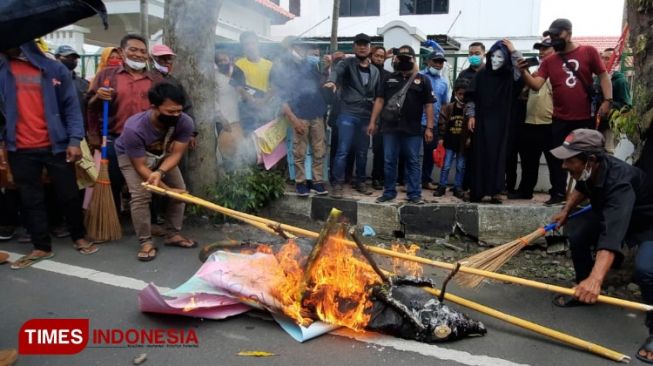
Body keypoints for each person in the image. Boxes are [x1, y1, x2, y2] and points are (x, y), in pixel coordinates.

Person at [548, 128, 653, 364]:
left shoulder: (620, 182)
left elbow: (611, 234)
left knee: (646, 271)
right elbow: (581, 189)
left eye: (570, 160)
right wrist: (566, 210)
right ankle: (584, 289)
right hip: (614, 213)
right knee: (577, 234)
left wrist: (597, 278)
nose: (564, 166)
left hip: (647, 222)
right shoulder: (591, 171)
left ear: (591, 160)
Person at [0, 41, 98, 269]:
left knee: (69, 194)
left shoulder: (54, 69)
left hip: (57, 144)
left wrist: (74, 139)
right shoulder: (3, 70)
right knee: (30, 199)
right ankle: (41, 246)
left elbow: (71, 107)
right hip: (19, 147)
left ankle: (79, 236)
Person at [519, 18, 613, 205]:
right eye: (551, 35)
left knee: (588, 157)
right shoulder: (550, 60)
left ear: (569, 33)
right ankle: (559, 194)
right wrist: (523, 72)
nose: (554, 38)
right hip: (560, 117)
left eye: (557, 34)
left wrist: (607, 100)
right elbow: (537, 85)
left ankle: (590, 194)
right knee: (557, 157)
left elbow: (603, 75)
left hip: (585, 115)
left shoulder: (588, 51)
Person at [115, 82, 196, 261]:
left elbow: (176, 154)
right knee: (141, 195)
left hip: (163, 154)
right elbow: (140, 167)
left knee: (180, 192)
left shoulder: (185, 121)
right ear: (154, 107)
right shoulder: (134, 128)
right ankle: (145, 241)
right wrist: (165, 189)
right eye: (170, 112)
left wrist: (160, 173)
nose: (176, 115)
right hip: (132, 157)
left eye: (178, 111)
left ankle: (172, 234)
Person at [87, 34, 164, 213]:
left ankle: (150, 221)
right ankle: (113, 218)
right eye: (133, 50)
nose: (138, 54)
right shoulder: (106, 75)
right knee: (113, 180)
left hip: (147, 142)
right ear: (122, 52)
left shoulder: (156, 80)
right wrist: (98, 98)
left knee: (148, 183)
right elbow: (90, 106)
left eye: (143, 51)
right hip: (115, 138)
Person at [367, 45, 435, 204]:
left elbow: (429, 105)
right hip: (390, 128)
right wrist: (372, 122)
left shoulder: (423, 80)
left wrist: (430, 127)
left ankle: (414, 194)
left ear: (413, 60)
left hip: (412, 129)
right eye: (401, 57)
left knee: (413, 160)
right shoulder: (388, 78)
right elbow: (379, 100)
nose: (404, 60)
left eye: (407, 57)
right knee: (389, 160)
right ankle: (389, 192)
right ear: (395, 59)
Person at [466, 39, 523, 204]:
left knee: (498, 156)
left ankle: (495, 191)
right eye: (493, 57)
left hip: (502, 122)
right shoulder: (482, 75)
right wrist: (471, 115)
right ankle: (477, 191)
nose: (496, 61)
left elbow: (522, 70)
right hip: (482, 121)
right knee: (479, 155)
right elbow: (471, 96)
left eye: (500, 57)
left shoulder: (509, 76)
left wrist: (513, 51)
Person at [325, 33, 380, 198]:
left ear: (369, 48)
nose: (362, 47)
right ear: (354, 47)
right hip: (347, 114)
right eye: (359, 44)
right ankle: (337, 184)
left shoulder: (375, 71)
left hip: (366, 116)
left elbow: (378, 97)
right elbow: (336, 72)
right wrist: (332, 81)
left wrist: (374, 121)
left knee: (363, 152)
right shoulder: (346, 64)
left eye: (365, 45)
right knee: (343, 150)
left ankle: (361, 181)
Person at [272, 38, 328, 196]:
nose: (304, 50)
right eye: (300, 47)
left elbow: (320, 85)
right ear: (291, 48)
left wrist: (327, 69)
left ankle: (317, 181)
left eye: (305, 48)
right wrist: (293, 119)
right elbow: (280, 97)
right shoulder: (282, 69)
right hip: (299, 115)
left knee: (319, 149)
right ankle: (300, 182)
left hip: (317, 113)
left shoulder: (310, 66)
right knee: (299, 152)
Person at [510, 38, 557, 200]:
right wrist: (526, 77)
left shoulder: (560, 73)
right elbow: (522, 95)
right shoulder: (537, 74)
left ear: (556, 50)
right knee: (528, 162)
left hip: (551, 123)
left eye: (546, 49)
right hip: (530, 123)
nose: (542, 52)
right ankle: (525, 191)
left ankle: (557, 192)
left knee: (555, 162)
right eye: (540, 49)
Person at [234, 31, 274, 135]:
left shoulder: (269, 65)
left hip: (266, 107)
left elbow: (275, 86)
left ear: (258, 44)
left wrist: (264, 100)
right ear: (242, 46)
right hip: (247, 108)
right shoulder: (239, 64)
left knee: (266, 139)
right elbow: (238, 87)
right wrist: (252, 100)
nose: (250, 46)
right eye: (246, 44)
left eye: (252, 43)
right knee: (250, 139)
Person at [420, 50, 449, 190]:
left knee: (430, 154)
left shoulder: (444, 82)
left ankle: (426, 180)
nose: (438, 64)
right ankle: (408, 181)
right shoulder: (418, 76)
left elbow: (444, 104)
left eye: (441, 62)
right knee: (411, 153)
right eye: (435, 61)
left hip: (433, 124)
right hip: (416, 121)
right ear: (428, 61)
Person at [434, 81, 469, 198]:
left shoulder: (469, 110)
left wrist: (469, 138)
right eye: (460, 94)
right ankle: (442, 186)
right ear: (455, 93)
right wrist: (441, 138)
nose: (462, 97)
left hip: (463, 143)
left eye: (465, 94)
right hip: (449, 142)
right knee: (446, 165)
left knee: (460, 166)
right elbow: (442, 123)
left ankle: (457, 187)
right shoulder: (449, 108)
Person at [596, 47, 632, 154]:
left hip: (610, 127)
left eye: (608, 58)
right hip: (597, 124)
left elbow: (626, 106)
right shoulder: (598, 78)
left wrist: (608, 103)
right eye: (602, 58)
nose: (604, 61)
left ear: (616, 62)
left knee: (608, 154)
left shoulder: (620, 81)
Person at [370, 46, 389, 190]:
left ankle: (377, 177)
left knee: (380, 148)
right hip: (363, 113)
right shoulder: (364, 71)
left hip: (381, 117)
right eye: (376, 55)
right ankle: (354, 177)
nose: (379, 58)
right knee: (359, 148)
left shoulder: (387, 75)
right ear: (371, 56)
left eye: (382, 57)